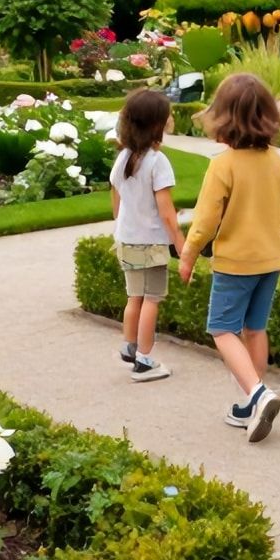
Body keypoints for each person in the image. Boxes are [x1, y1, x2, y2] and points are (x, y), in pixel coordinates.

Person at [178, 73, 280, 443]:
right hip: (269, 262)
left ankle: (257, 393)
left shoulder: (224, 165)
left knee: (222, 328)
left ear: (222, 118)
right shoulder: (276, 162)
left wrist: (188, 255)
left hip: (235, 263)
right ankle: (251, 404)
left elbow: (204, 221)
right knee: (255, 329)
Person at [111, 89, 186, 383]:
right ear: (157, 124)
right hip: (152, 242)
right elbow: (166, 213)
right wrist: (181, 245)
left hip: (127, 237)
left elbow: (116, 199)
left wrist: (125, 217)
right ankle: (144, 359)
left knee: (135, 297)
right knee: (152, 299)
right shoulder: (157, 161)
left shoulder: (124, 157)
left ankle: (130, 347)